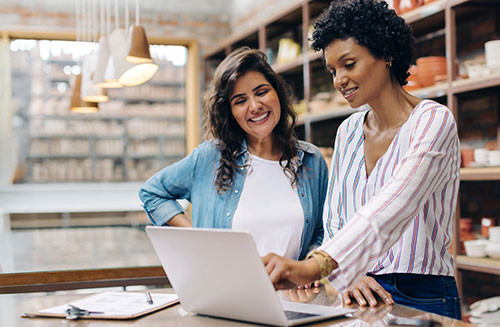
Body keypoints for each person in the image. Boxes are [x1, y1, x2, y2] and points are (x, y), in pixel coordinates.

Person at [262, 0, 461, 320]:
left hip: (422, 294)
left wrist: (317, 265)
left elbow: (394, 206)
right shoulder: (349, 131)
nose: (339, 79)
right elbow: (336, 218)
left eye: (349, 64)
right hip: (357, 289)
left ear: (386, 55)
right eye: (332, 70)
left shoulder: (433, 121)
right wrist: (348, 275)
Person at [139, 47, 328, 260]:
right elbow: (152, 193)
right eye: (240, 101)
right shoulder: (209, 158)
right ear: (229, 112)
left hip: (291, 293)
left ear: (277, 93)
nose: (255, 106)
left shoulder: (311, 160)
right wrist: (196, 236)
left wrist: (308, 266)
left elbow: (322, 230)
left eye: (261, 92)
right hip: (225, 291)